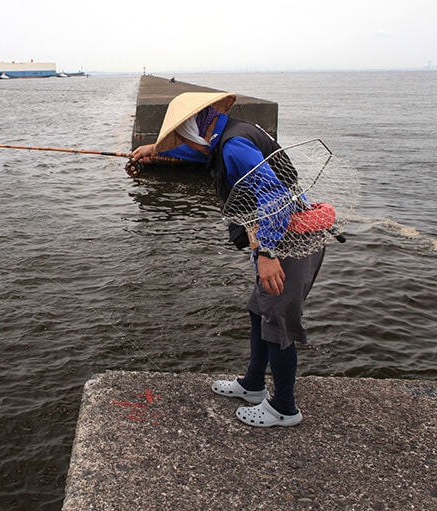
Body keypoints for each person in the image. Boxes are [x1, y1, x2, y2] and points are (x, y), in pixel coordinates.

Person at [131, 92, 325, 428]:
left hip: (288, 240)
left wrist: (267, 253)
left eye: (182, 135)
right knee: (258, 311)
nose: (184, 141)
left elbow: (275, 197)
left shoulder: (233, 145)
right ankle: (253, 385)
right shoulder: (230, 131)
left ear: (195, 126)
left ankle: (284, 408)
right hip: (282, 234)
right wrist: (155, 150)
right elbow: (203, 153)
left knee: (277, 323)